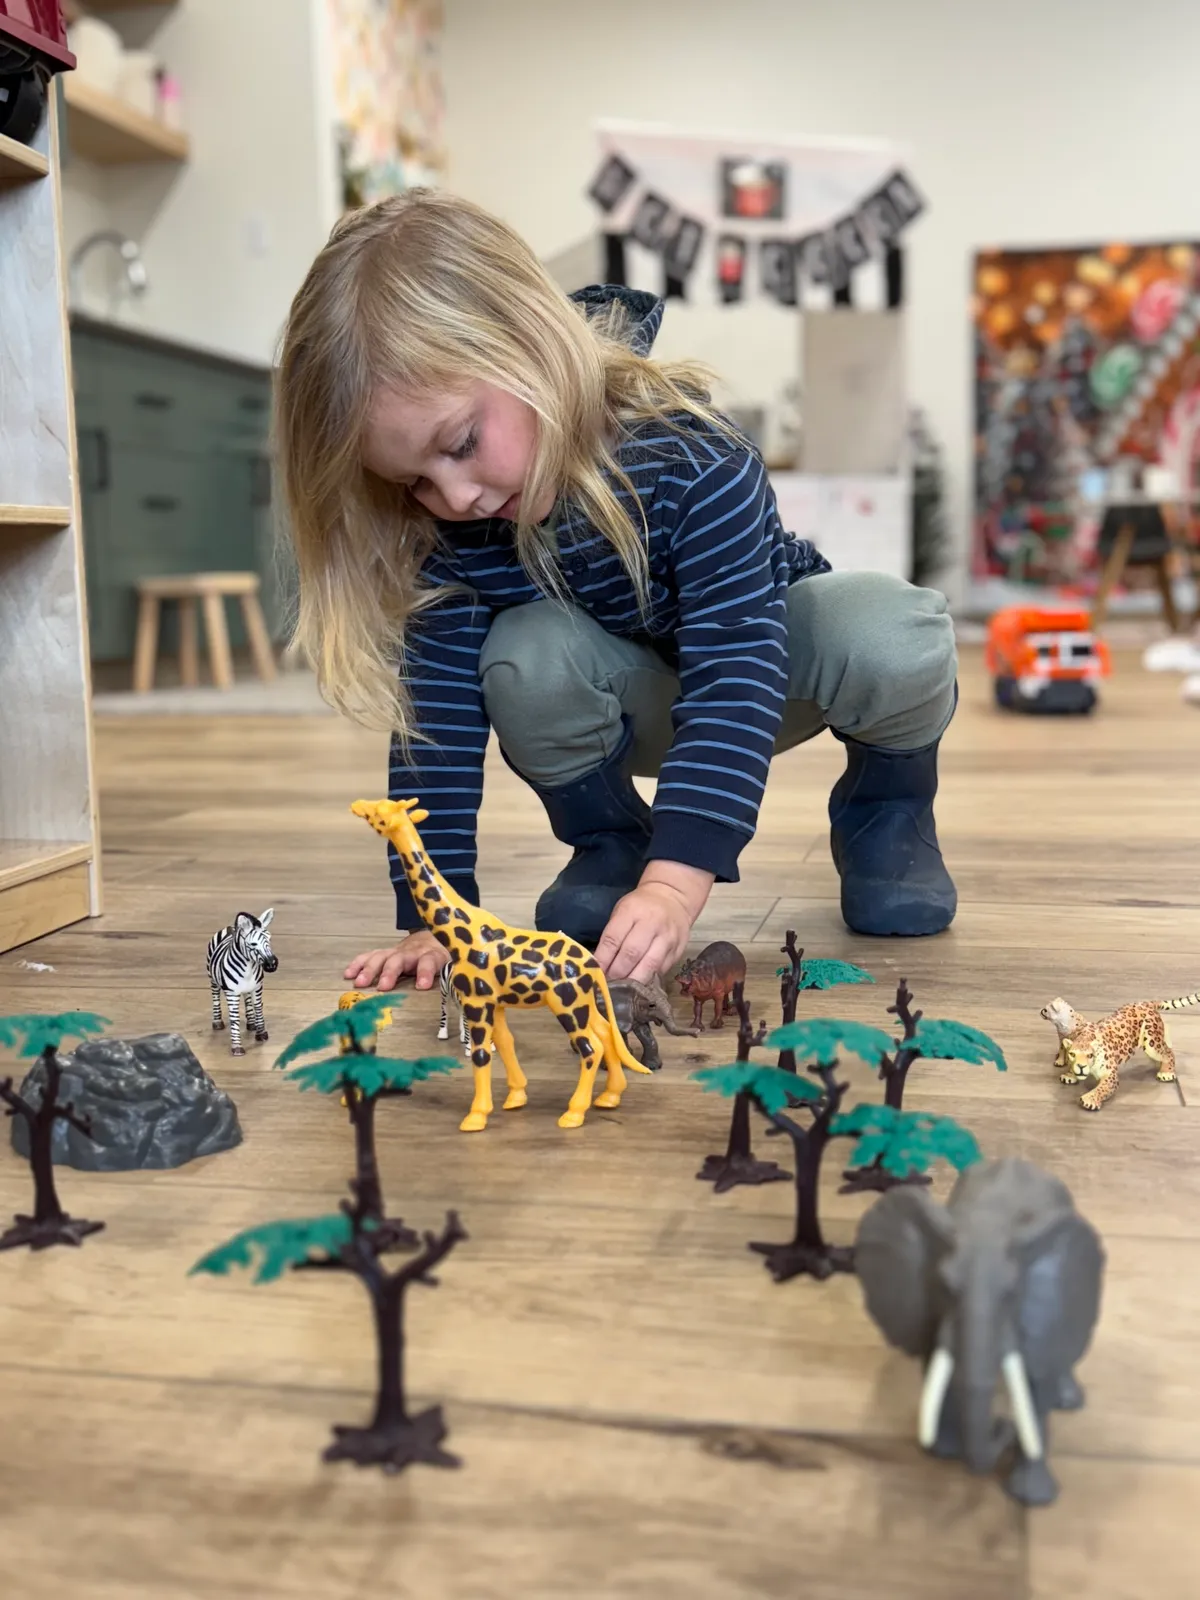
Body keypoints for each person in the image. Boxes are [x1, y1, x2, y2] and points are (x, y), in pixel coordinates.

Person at [273, 188, 958, 997]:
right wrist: (434, 913)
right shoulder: (453, 532)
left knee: (891, 630)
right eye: (415, 481)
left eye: (460, 444)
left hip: (768, 682)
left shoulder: (695, 460)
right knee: (523, 654)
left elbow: (735, 675)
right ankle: (610, 845)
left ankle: (888, 815)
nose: (454, 497)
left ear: (530, 342)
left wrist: (676, 886)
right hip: (629, 707)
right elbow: (435, 727)